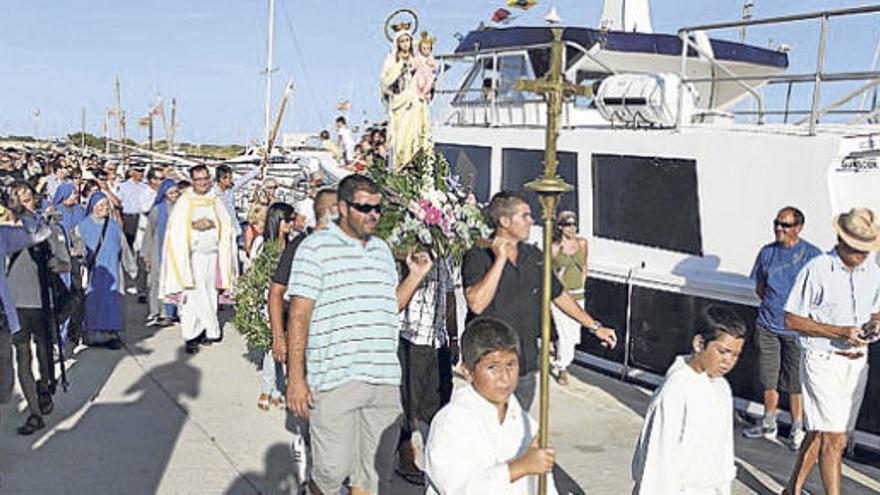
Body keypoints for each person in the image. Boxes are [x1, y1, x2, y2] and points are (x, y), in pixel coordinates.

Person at [285, 174, 432, 495]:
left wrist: (415, 276)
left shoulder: (381, 251)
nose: (372, 215)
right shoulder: (314, 249)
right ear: (342, 207)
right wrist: (295, 378)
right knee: (331, 469)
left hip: (383, 378)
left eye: (377, 208)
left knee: (371, 476)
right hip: (335, 377)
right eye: (364, 208)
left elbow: (387, 306)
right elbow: (298, 314)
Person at [462, 192, 616, 411]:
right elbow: (476, 303)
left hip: (524, 363)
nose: (531, 221)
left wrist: (594, 326)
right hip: (490, 366)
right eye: (524, 216)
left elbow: (559, 294)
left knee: (519, 430)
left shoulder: (533, 256)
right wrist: (500, 260)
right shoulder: (478, 255)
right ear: (505, 221)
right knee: (490, 436)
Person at [781, 207, 880, 495]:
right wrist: (839, 331)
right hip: (822, 360)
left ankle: (792, 490)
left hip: (857, 363)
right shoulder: (817, 269)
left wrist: (874, 326)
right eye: (857, 249)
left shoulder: (873, 272)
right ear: (841, 239)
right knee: (835, 440)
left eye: (866, 249)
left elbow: (876, 311)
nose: (862, 255)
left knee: (825, 433)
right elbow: (790, 319)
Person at [424, 317, 557, 495]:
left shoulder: (526, 424)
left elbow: (544, 485)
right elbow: (458, 489)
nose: (504, 377)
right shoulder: (451, 423)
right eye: (492, 367)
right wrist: (518, 468)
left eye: (511, 364)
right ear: (467, 371)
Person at [631, 305, 747, 495]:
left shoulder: (722, 387)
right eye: (723, 351)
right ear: (699, 344)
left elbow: (724, 451)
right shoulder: (675, 390)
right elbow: (658, 459)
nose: (729, 361)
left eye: (735, 355)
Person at [271, 188, 337, 486]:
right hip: (305, 341)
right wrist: (278, 337)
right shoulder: (301, 245)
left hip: (335, 342)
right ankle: (308, 461)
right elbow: (276, 292)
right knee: (312, 411)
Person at [744, 207, 820, 450]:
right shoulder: (767, 253)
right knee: (769, 378)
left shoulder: (812, 255)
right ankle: (769, 423)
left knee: (795, 382)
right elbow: (760, 287)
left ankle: (797, 428)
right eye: (777, 223)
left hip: (797, 330)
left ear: (798, 228)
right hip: (768, 326)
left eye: (785, 225)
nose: (779, 228)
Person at [160, 164, 238, 354]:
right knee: (193, 296)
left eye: (205, 179)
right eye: (198, 180)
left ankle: (207, 330)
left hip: (212, 256)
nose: (202, 183)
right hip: (192, 258)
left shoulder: (214, 200)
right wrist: (194, 225)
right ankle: (191, 335)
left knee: (210, 294)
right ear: (192, 181)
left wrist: (214, 226)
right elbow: (176, 229)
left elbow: (227, 225)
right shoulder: (185, 201)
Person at [395, 253, 457, 485]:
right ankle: (405, 459)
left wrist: (453, 337)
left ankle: (436, 460)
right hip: (410, 337)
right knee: (408, 403)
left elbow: (449, 296)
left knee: (441, 402)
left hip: (437, 339)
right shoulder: (408, 255)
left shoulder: (446, 257)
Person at [0, 210, 52, 430]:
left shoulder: (5, 234)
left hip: (11, 313)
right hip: (14, 310)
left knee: (4, 383)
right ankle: (35, 410)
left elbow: (42, 232)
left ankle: (42, 393)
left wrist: (22, 211)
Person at [74, 192, 136, 350]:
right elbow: (77, 247)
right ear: (93, 207)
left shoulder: (114, 226)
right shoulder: (82, 226)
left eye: (106, 205)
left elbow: (123, 247)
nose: (104, 209)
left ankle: (111, 335)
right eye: (100, 205)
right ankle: (93, 336)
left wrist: (131, 268)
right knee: (94, 304)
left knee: (112, 304)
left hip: (114, 271)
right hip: (94, 273)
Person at [250, 202, 296, 410]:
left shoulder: (292, 243)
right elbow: (253, 271)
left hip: (288, 299)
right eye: (288, 220)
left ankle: (277, 388)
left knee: (283, 344)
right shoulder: (262, 243)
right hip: (269, 299)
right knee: (272, 345)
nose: (291, 224)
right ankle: (269, 388)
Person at [380, 25, 429, 169]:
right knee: (401, 137)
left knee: (415, 135)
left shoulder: (417, 59)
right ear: (397, 43)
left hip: (415, 101)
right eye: (402, 41)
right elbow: (385, 82)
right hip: (400, 102)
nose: (406, 44)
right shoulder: (391, 60)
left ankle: (413, 165)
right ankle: (399, 165)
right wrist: (400, 68)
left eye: (408, 40)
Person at [549, 211, 588, 386]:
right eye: (567, 224)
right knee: (565, 332)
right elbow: (549, 271)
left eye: (574, 224)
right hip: (560, 295)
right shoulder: (555, 247)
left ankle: (561, 358)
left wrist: (582, 283)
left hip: (578, 293)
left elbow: (584, 265)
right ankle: (562, 367)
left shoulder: (582, 243)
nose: (572, 227)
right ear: (560, 227)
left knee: (573, 333)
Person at [142, 179, 180, 327]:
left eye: (176, 192)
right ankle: (158, 312)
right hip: (158, 250)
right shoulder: (157, 210)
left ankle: (172, 313)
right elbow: (149, 233)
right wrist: (146, 254)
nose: (174, 195)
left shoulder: (181, 209)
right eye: (171, 192)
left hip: (175, 251)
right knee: (157, 282)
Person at [213, 163, 262, 239]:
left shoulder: (230, 188)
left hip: (235, 229)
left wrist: (260, 168)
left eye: (231, 177)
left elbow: (244, 179)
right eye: (228, 178)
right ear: (221, 179)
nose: (231, 180)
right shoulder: (213, 193)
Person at [412, 31, 437, 101]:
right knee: (415, 81)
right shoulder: (418, 58)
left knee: (430, 82)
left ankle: (424, 94)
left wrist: (431, 64)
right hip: (419, 75)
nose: (426, 50)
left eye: (428, 48)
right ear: (420, 49)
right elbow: (413, 66)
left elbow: (434, 67)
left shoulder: (431, 58)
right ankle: (417, 94)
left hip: (428, 76)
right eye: (424, 48)